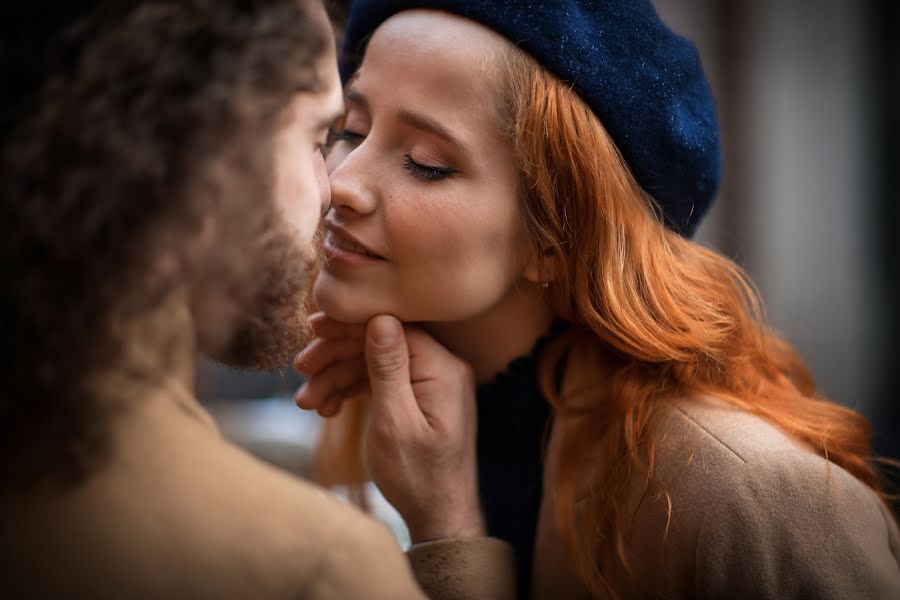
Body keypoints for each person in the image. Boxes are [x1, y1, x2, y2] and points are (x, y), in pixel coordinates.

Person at [294, 1, 900, 598]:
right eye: (348, 129)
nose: (340, 182)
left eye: (425, 164)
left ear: (559, 239)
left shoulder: (753, 501)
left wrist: (449, 531)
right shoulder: (406, 421)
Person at [0, 1, 513, 597]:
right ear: (199, 160)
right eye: (323, 135)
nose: (335, 185)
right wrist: (451, 536)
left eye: (422, 163)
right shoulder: (317, 567)